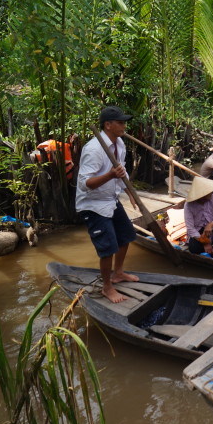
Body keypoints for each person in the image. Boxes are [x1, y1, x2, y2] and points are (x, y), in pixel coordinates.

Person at [75, 106, 140, 303]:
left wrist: (130, 192)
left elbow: (122, 171)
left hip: (111, 199)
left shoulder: (119, 143)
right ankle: (107, 287)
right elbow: (85, 184)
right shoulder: (93, 149)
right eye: (120, 122)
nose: (124, 126)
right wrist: (110, 174)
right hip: (93, 204)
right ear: (108, 125)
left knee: (127, 235)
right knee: (108, 247)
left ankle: (118, 273)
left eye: (123, 122)